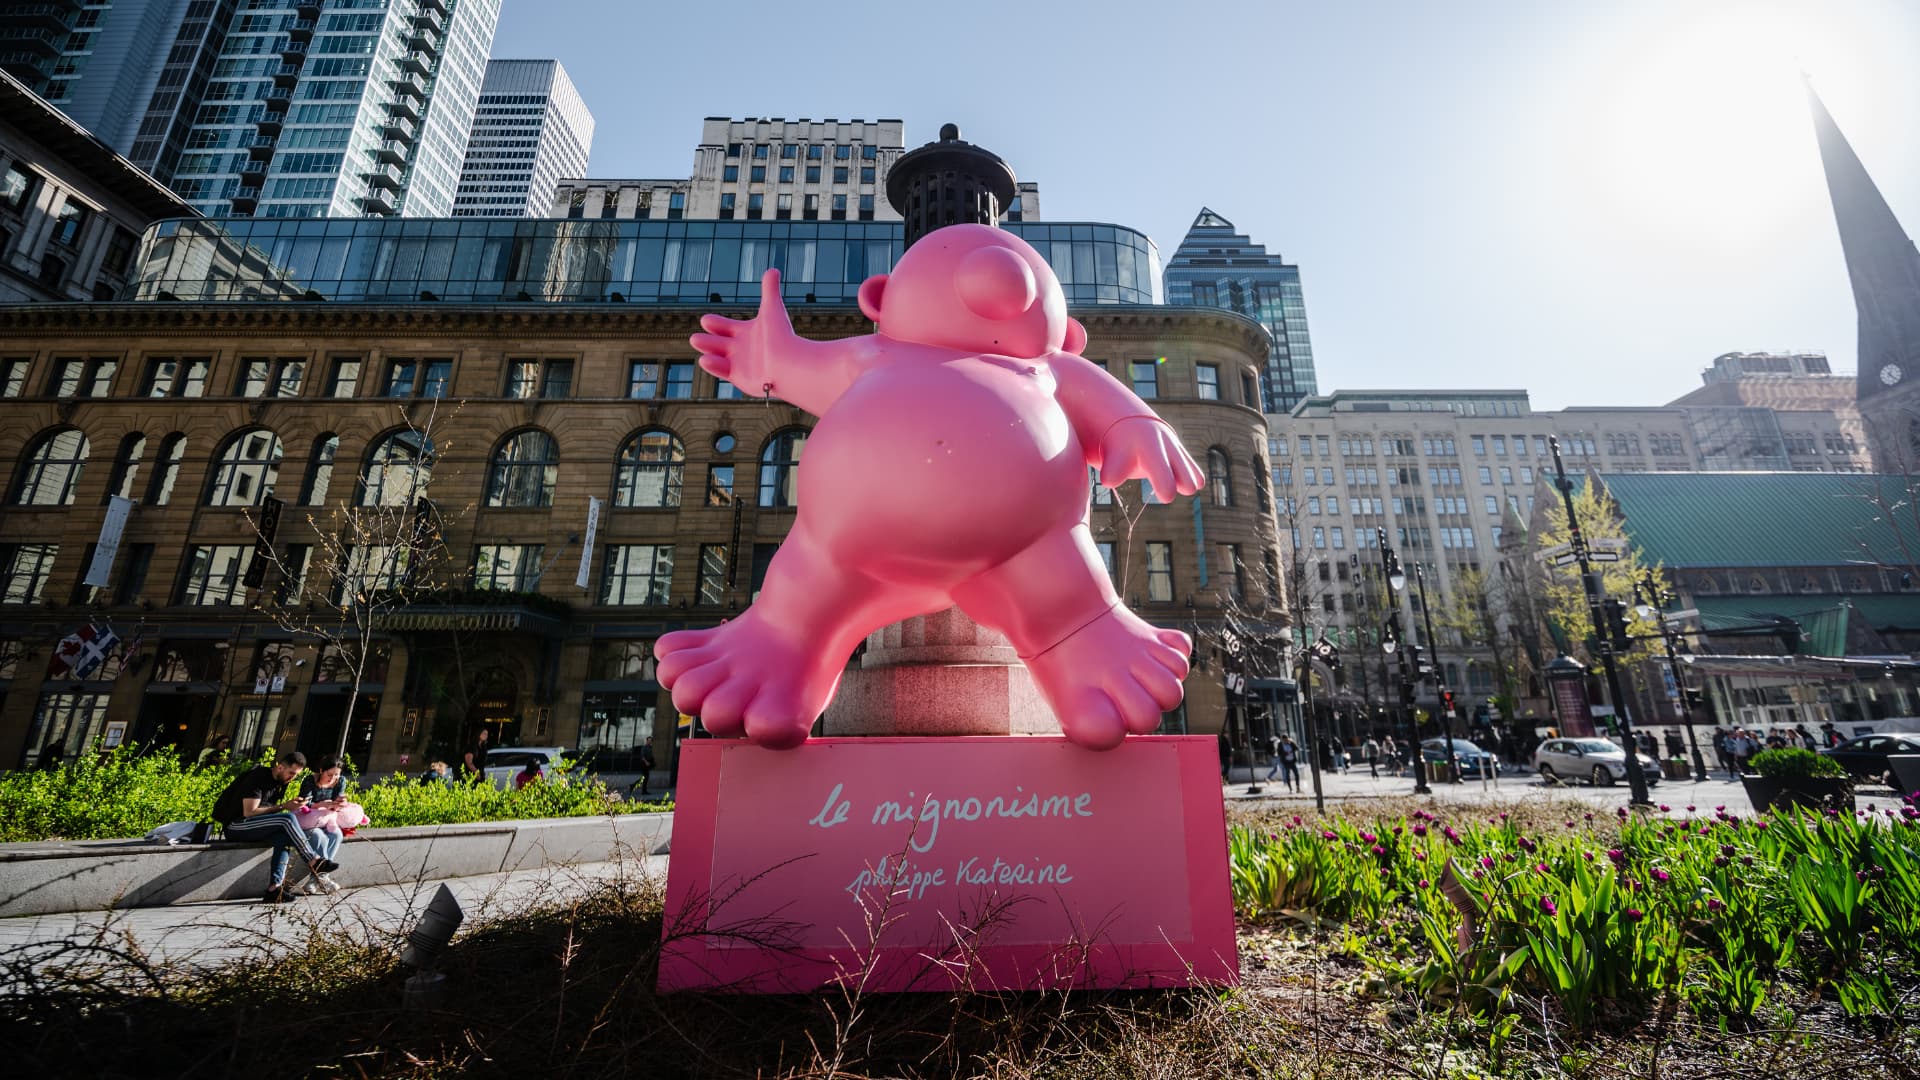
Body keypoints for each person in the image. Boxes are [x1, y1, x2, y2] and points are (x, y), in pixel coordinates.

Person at [211, 750, 339, 903]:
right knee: (287, 819)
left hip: (256, 825)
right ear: (279, 768)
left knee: (284, 837)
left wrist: (291, 805)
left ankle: (274, 888)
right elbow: (249, 812)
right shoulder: (258, 777)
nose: (292, 777)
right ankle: (313, 860)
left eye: (296, 775)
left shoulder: (281, 782)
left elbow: (269, 812)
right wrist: (284, 807)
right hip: (236, 826)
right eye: (291, 773)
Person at [293, 755, 364, 894]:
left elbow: (338, 802)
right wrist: (320, 804)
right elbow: (303, 804)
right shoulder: (310, 780)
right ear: (321, 770)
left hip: (328, 819)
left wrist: (339, 803)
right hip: (309, 821)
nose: (332, 778)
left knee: (336, 834)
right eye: (329, 774)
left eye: (336, 775)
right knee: (319, 836)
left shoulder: (340, 781)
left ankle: (317, 878)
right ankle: (323, 878)